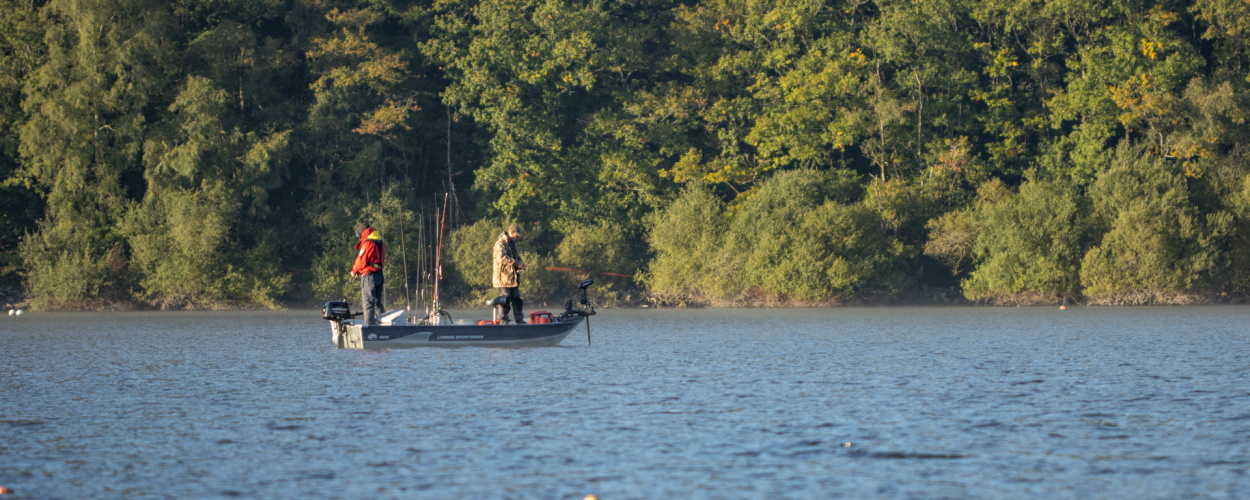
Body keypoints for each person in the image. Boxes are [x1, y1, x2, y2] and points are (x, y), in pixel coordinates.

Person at [351, 222, 386, 325]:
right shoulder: (380, 243)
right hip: (379, 275)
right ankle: (384, 327)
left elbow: (361, 261)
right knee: (377, 304)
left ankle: (370, 328)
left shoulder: (367, 243)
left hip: (370, 277)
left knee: (368, 304)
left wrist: (354, 271)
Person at [492, 223, 527, 323]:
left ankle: (519, 319)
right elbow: (502, 258)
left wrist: (521, 264)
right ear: (511, 232)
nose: (517, 238)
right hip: (503, 278)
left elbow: (516, 257)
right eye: (517, 235)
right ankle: (503, 320)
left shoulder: (512, 244)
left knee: (517, 299)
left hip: (513, 277)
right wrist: (517, 263)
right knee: (505, 300)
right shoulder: (500, 244)